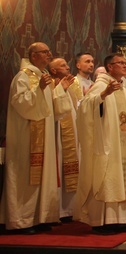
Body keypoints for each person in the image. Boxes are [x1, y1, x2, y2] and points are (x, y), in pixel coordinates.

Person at [75, 54, 126, 234]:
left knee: (124, 177)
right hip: (108, 146)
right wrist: (103, 96)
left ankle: (124, 218)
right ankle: (105, 221)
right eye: (121, 63)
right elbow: (86, 107)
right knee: (109, 177)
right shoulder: (101, 85)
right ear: (110, 67)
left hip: (124, 145)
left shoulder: (123, 89)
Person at [0, 43, 73, 233]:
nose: (49, 54)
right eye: (44, 52)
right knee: (25, 177)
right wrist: (40, 90)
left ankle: (41, 217)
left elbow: (52, 110)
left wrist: (61, 90)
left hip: (44, 137)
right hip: (27, 137)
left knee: (43, 175)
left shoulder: (42, 77)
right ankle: (21, 221)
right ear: (33, 56)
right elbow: (21, 103)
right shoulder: (23, 76)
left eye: (49, 52)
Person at [47, 58, 80, 221]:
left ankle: (70, 208)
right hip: (56, 133)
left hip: (72, 133)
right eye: (63, 65)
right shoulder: (49, 84)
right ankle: (58, 209)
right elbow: (54, 107)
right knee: (58, 168)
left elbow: (75, 108)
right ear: (53, 70)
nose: (68, 67)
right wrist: (61, 89)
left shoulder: (72, 84)